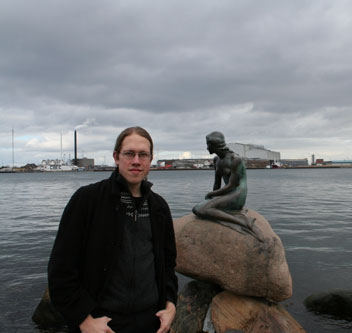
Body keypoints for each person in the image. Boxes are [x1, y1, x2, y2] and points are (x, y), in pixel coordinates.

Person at [48, 127, 177, 333]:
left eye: (143, 154)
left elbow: (168, 264)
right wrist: (84, 320)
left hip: (151, 322)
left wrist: (170, 304)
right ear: (116, 157)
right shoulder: (87, 200)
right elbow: (61, 270)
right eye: (129, 153)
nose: (136, 160)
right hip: (102, 324)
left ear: (151, 159)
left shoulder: (158, 207)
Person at [192, 131, 263, 242]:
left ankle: (243, 222)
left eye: (208, 144)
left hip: (237, 193)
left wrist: (211, 195)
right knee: (198, 208)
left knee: (202, 209)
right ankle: (236, 219)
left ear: (215, 145)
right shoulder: (216, 160)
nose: (207, 148)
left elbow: (231, 185)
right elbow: (217, 184)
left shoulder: (235, 159)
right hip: (227, 193)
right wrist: (211, 198)